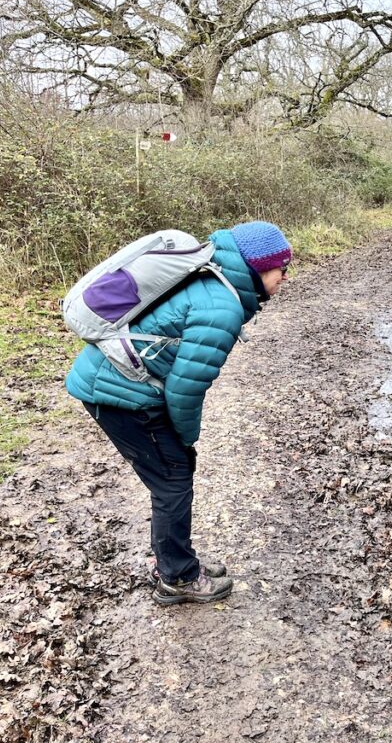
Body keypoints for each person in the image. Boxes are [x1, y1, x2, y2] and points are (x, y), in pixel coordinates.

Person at [66, 221, 292, 605]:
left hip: (115, 384)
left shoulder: (212, 278)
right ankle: (179, 578)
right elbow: (185, 390)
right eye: (281, 268)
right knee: (172, 481)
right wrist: (187, 439)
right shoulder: (221, 307)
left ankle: (178, 562)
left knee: (171, 477)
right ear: (257, 268)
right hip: (120, 396)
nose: (285, 276)